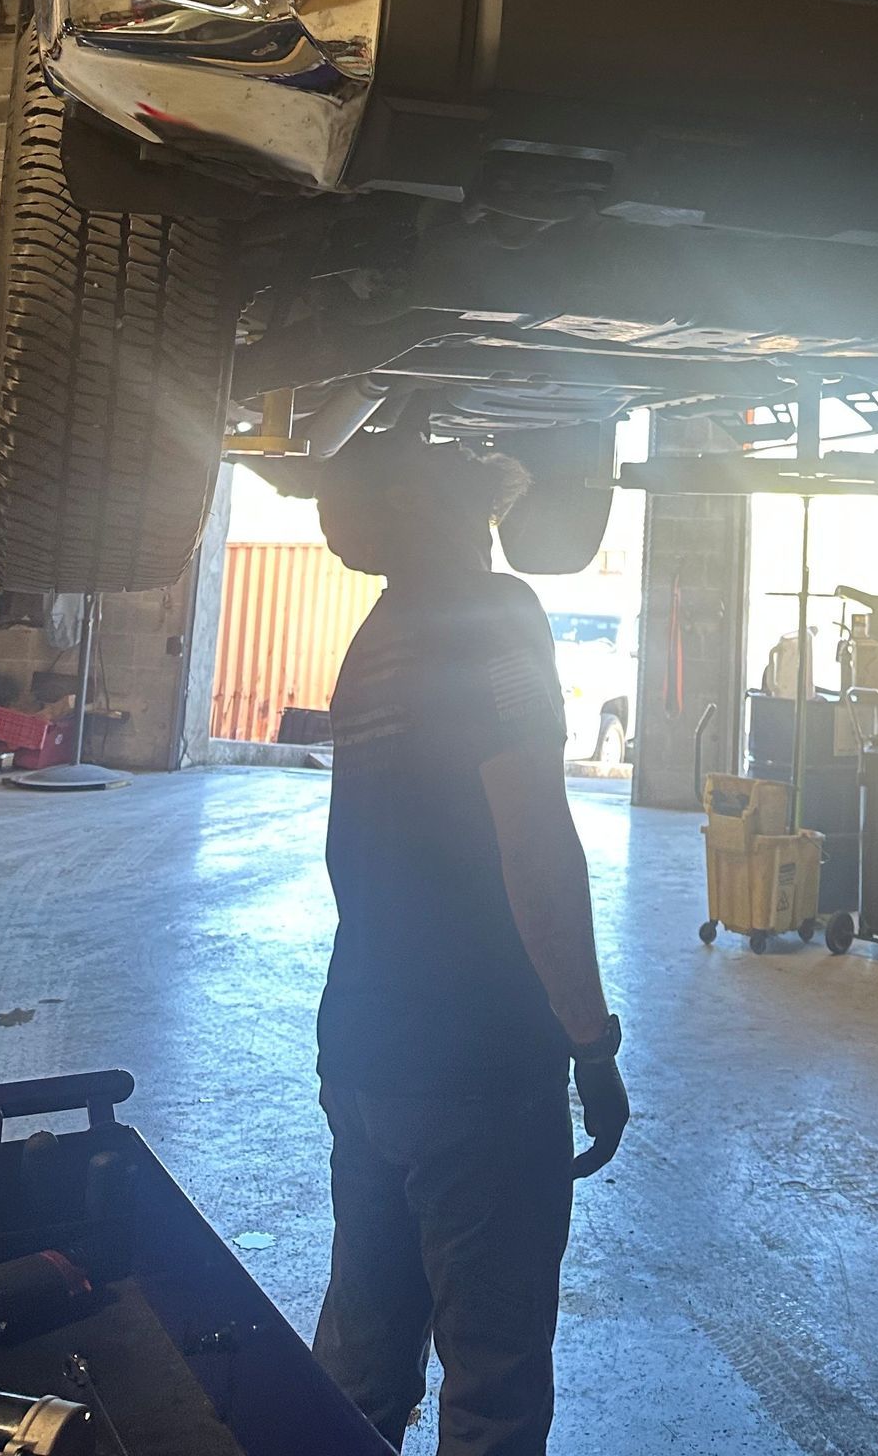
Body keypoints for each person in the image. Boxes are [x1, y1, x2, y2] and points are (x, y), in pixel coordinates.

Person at [310, 429, 630, 1453]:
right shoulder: (497, 620)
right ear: (450, 512)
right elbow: (535, 841)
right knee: (491, 1384)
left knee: (361, 1366)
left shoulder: (381, 632)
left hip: (363, 1051)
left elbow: (351, 852)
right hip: (477, 1068)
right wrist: (590, 1039)